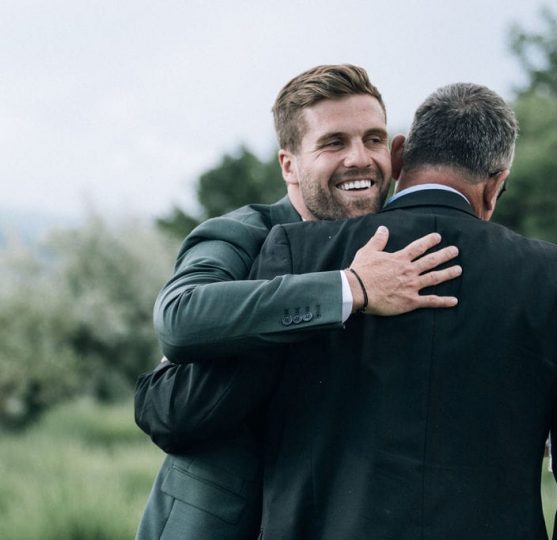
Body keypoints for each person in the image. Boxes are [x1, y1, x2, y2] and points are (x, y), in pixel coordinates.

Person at [239, 82, 557, 538]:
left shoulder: (297, 252)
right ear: (497, 183)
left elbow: (211, 411)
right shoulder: (552, 276)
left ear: (400, 154)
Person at [134, 64, 461, 539]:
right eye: (334, 143)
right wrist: (349, 288)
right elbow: (180, 316)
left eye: (373, 139)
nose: (359, 159)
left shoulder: (405, 254)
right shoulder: (241, 234)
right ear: (289, 164)